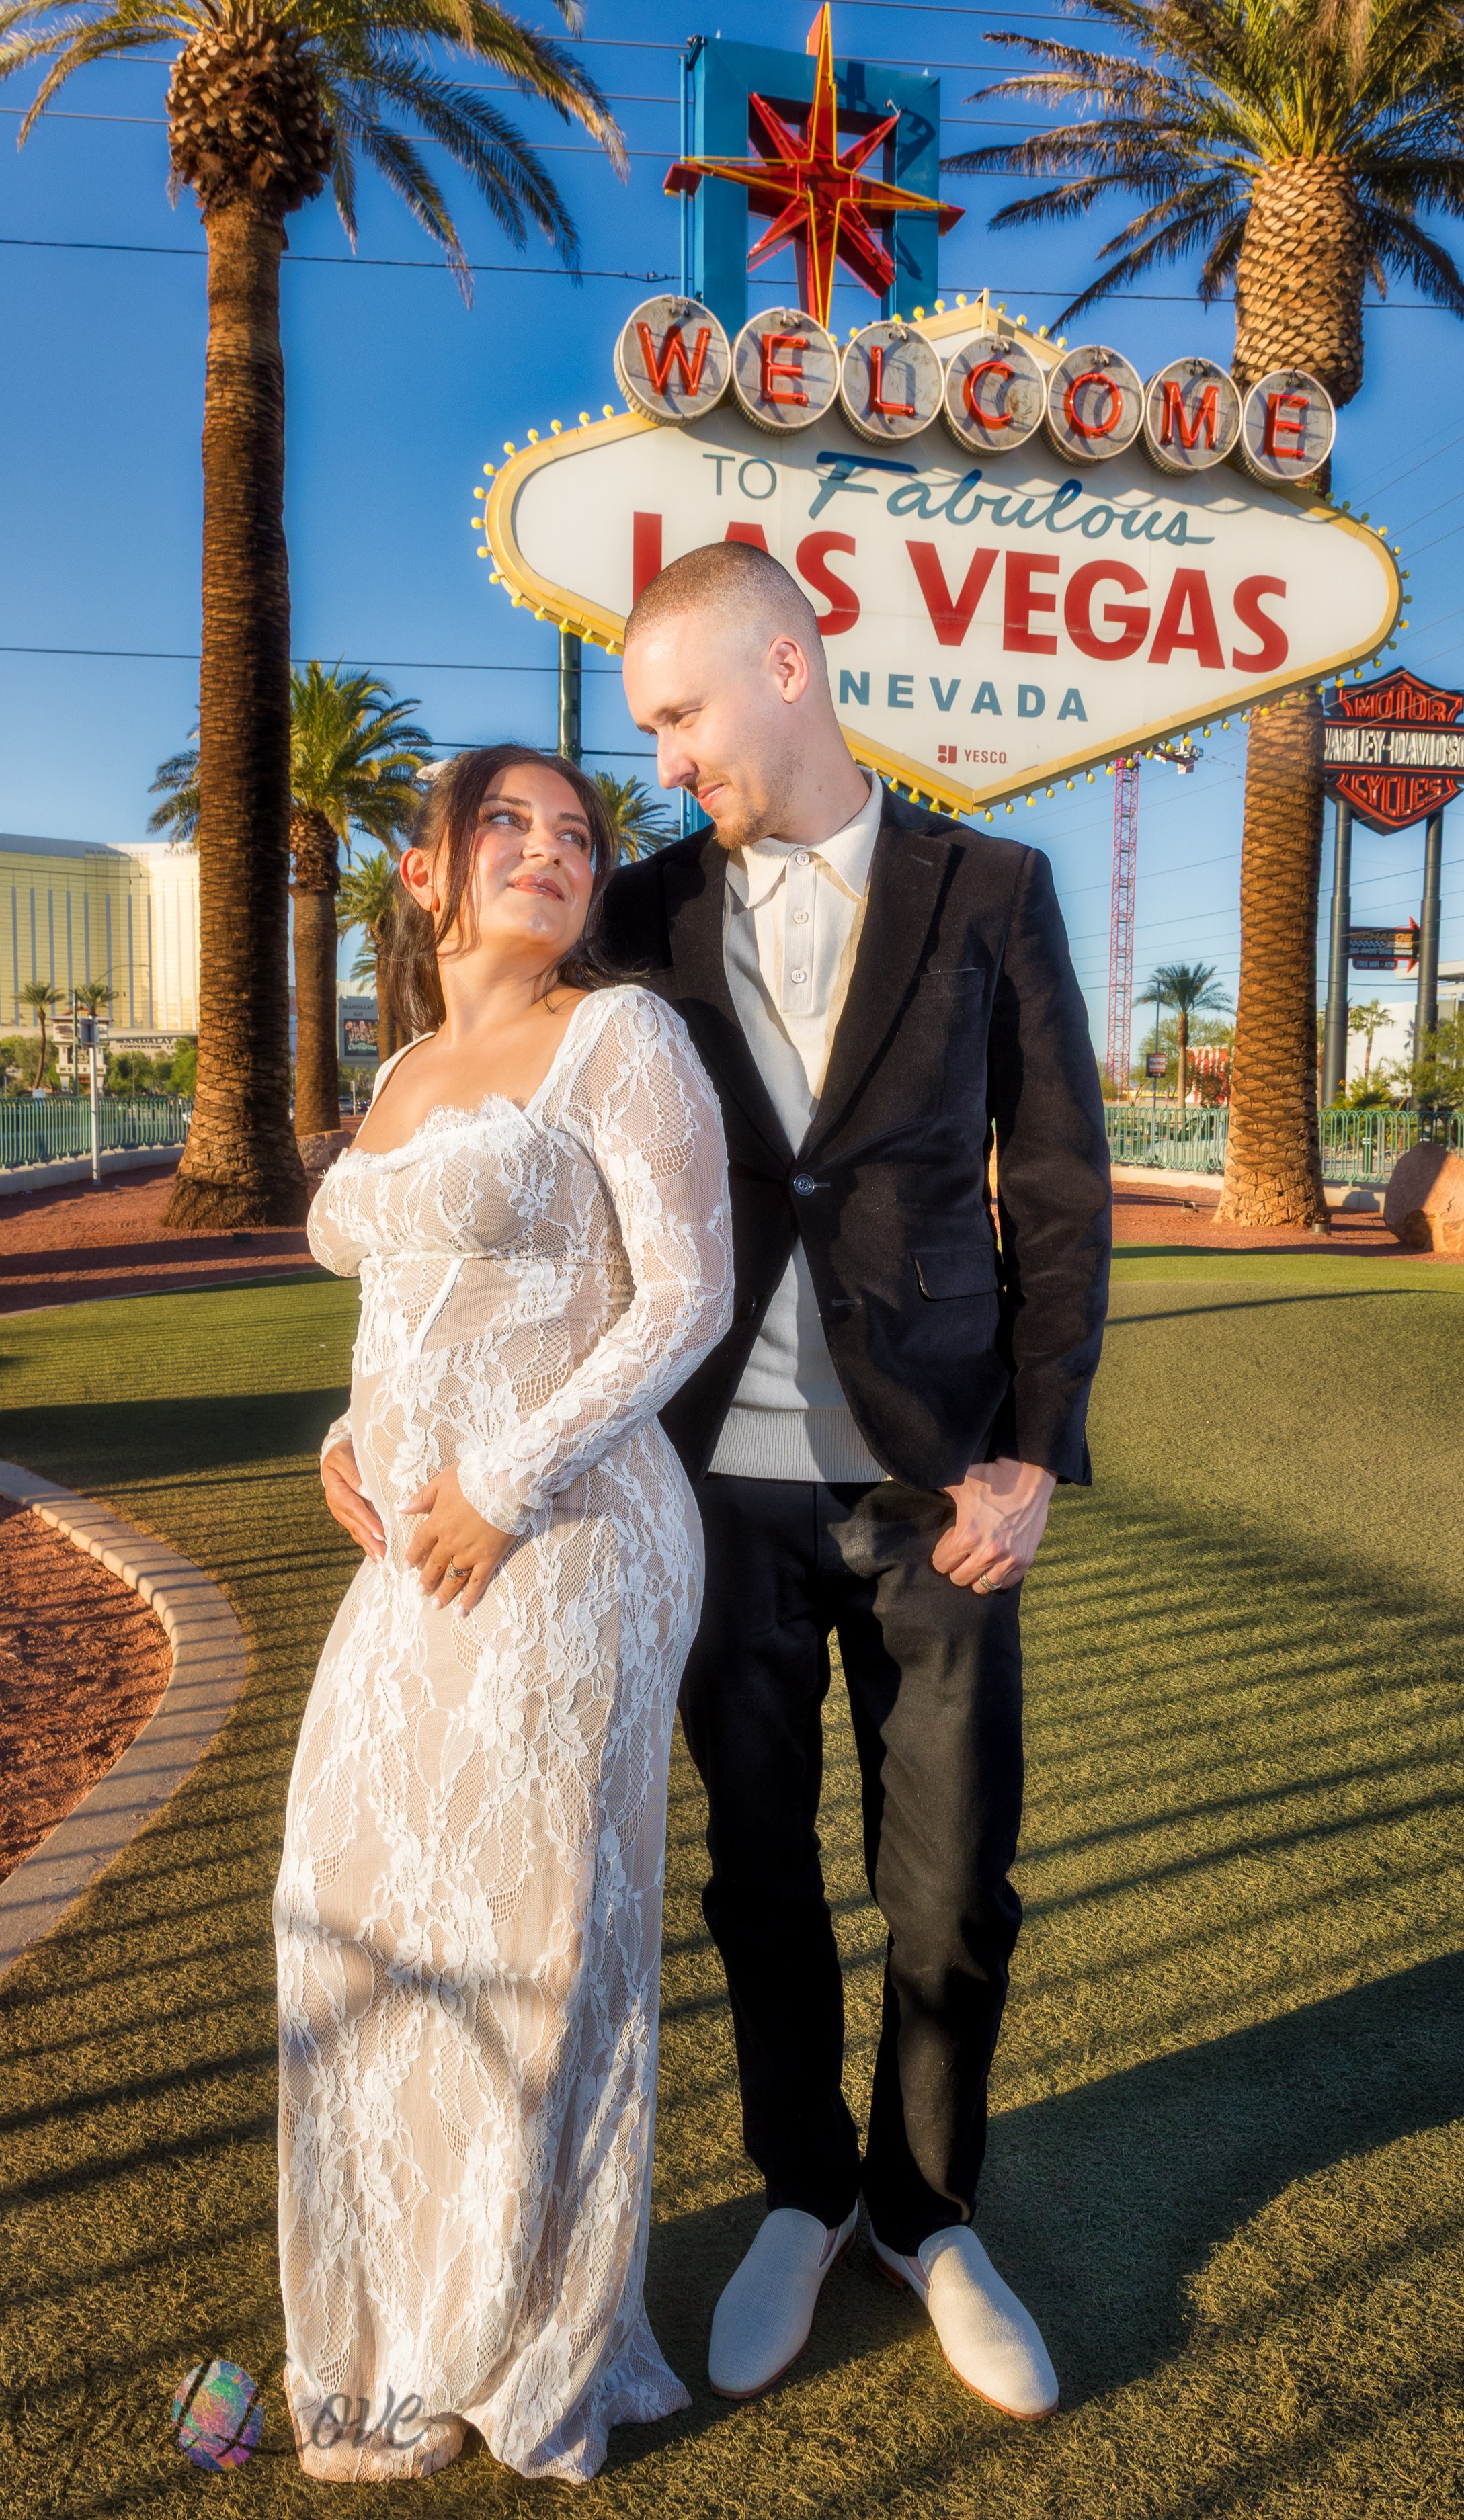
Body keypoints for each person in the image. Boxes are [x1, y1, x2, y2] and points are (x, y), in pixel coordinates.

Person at [602, 542, 1112, 2421]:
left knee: (954, 1881)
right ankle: (801, 2195)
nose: (663, 760)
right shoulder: (641, 915)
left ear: (789, 668)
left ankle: (927, 2210)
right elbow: (528, 1145)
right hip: (711, 1497)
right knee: (754, 1877)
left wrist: (1033, 1452)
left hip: (934, 1494)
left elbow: (1053, 1189)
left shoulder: (996, 889)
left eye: (678, 715)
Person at [274, 745, 733, 2484]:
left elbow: (684, 1297)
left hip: (572, 1535)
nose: (549, 853)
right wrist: (351, 1438)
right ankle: (399, 2321)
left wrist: (504, 1483)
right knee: (358, 1902)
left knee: (537, 1936)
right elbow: (405, 1303)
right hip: (410, 1547)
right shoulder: (401, 1069)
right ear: (424, 877)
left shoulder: (620, 1039)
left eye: (575, 834)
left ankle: (529, 2347)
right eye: (507, 827)